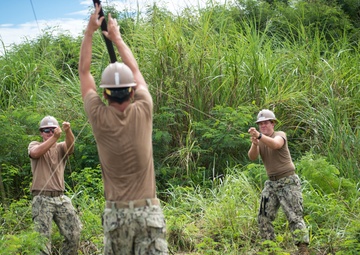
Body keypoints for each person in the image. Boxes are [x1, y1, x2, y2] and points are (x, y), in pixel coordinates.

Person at [78, 4, 168, 254]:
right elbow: (136, 71)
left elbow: (84, 72)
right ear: (131, 91)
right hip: (148, 213)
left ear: (105, 94)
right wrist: (116, 38)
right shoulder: (144, 109)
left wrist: (89, 32)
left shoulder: (97, 116)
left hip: (116, 215)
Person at [247, 109, 310, 255]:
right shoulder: (261, 140)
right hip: (271, 183)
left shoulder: (280, 135)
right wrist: (255, 143)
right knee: (263, 217)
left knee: (294, 216)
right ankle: (270, 249)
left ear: (273, 123)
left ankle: (303, 249)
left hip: (288, 181)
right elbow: (252, 157)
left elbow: (276, 145)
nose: (263, 126)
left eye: (266, 123)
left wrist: (260, 136)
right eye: (260, 124)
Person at [28, 115, 81, 255]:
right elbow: (35, 153)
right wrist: (55, 138)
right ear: (41, 132)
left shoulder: (60, 146)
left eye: (53, 130)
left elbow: (70, 147)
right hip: (41, 198)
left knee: (74, 233)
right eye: (47, 130)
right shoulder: (34, 144)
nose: (50, 133)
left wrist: (68, 130)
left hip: (60, 198)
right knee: (42, 240)